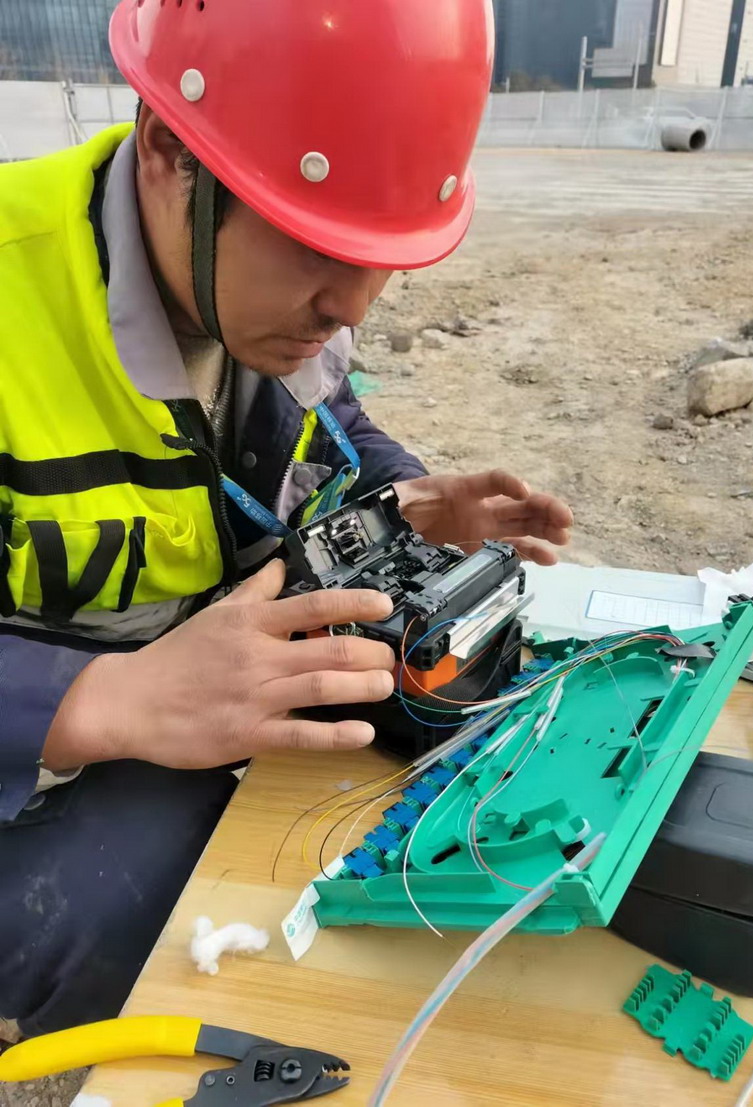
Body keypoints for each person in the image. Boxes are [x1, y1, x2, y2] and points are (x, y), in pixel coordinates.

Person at [0, 0, 572, 1040]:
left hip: (171, 715)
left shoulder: (258, 303)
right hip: (39, 758)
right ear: (168, 149)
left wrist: (404, 501)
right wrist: (95, 699)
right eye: (316, 243)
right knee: (139, 909)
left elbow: (328, 426)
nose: (354, 306)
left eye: (380, 255)